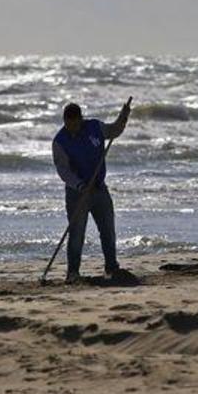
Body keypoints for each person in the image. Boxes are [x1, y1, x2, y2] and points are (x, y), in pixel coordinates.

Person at [52, 99, 132, 284]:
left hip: (99, 189)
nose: (71, 127)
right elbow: (63, 171)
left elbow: (114, 131)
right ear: (64, 121)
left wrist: (124, 115)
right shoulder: (60, 141)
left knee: (108, 230)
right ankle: (73, 273)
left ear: (81, 119)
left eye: (74, 123)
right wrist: (80, 185)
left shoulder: (95, 127)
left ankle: (111, 267)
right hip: (77, 193)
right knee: (77, 233)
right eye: (68, 124)